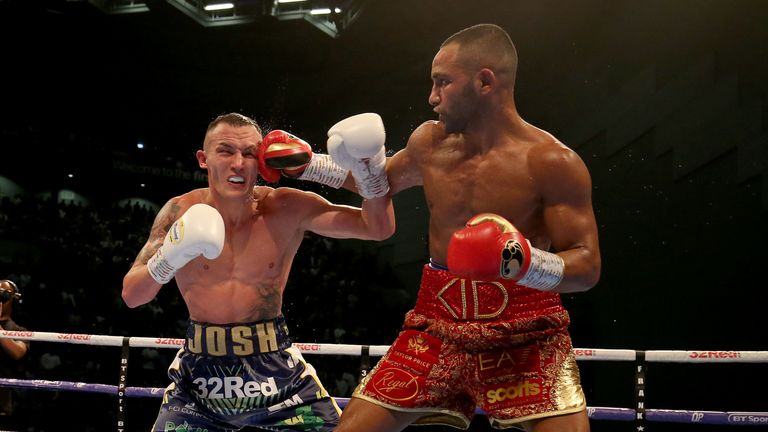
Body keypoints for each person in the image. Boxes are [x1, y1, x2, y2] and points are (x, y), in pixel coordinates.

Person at [331, 24, 601, 431]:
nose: (432, 98)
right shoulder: (429, 143)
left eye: (443, 83)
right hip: (436, 323)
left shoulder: (551, 162)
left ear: (485, 80)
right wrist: (309, 165)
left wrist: (521, 261)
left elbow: (586, 267)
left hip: (525, 331)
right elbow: (377, 184)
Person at [122, 112, 395, 432]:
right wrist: (168, 257)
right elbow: (132, 295)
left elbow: (378, 227)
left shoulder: (286, 207)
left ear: (264, 160)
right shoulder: (180, 210)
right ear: (203, 159)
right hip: (199, 383)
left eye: (250, 153)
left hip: (280, 377)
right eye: (225, 151)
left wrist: (314, 167)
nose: (239, 163)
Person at [0, 279, 29, 428]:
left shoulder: (19, 330)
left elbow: (17, 352)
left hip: (2, 404)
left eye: (2, 294)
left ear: (12, 298)